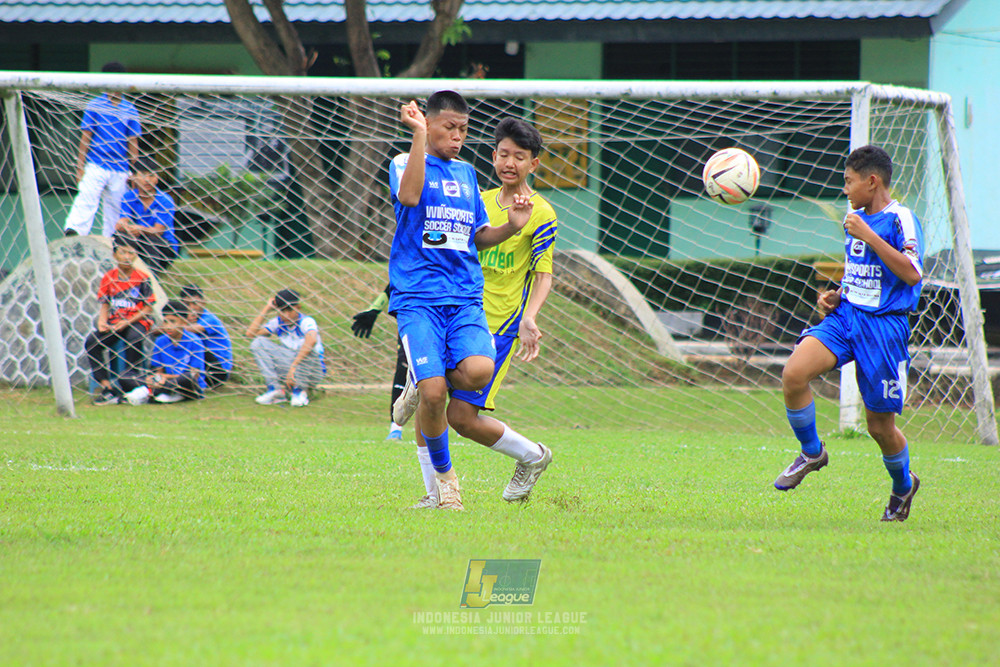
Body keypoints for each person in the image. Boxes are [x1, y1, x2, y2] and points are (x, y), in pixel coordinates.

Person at [387, 91, 534, 510]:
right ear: (429, 124)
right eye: (449, 128)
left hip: (465, 297)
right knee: (434, 397)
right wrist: (416, 136)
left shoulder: (468, 175)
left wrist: (512, 225)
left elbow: (479, 238)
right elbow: (410, 197)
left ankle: (426, 372)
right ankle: (445, 482)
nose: (457, 136)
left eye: (464, 130)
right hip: (418, 297)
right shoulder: (404, 161)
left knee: (478, 370)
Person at [774, 145, 923, 522]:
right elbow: (863, 269)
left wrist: (870, 235)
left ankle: (903, 485)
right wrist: (838, 293)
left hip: (884, 329)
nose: (845, 189)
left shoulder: (900, 218)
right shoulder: (854, 218)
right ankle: (812, 452)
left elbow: (910, 273)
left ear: (872, 182)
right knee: (793, 374)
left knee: (879, 427)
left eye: (848, 181)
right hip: (847, 318)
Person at [63, 62, 141, 238]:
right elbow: (85, 137)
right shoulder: (94, 105)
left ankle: (114, 240)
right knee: (86, 197)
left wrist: (135, 171)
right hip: (96, 163)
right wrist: (80, 167)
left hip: (121, 167)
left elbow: (133, 142)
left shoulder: (130, 109)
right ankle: (74, 232)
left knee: (116, 207)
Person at [85, 235, 155, 405]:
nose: (127, 257)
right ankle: (108, 388)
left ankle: (132, 387)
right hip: (115, 323)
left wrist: (127, 321)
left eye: (131, 253)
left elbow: (148, 308)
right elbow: (105, 303)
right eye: (123, 253)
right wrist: (102, 322)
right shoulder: (109, 277)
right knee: (92, 343)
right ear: (115, 255)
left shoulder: (142, 278)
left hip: (137, 321)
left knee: (133, 338)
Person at [246, 288, 325, 407]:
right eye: (282, 311)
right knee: (258, 343)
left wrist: (293, 367)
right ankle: (275, 390)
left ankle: (300, 391)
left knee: (307, 346)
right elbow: (250, 334)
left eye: (290, 310)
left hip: (311, 371)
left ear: (298, 307)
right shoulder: (277, 323)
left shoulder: (306, 321)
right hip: (289, 369)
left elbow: (312, 340)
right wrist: (266, 309)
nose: (286, 315)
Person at [351, 284, 408, 440]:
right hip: (412, 319)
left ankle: (462, 422)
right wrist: (374, 310)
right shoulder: (406, 263)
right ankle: (395, 428)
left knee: (450, 369)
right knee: (404, 367)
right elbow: (392, 286)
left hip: (447, 315)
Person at [121, 300, 206, 405]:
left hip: (185, 384)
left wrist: (165, 378)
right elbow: (158, 370)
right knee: (125, 376)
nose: (168, 326)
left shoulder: (194, 341)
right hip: (164, 382)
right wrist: (155, 379)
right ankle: (161, 393)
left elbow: (195, 374)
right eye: (165, 321)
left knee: (187, 378)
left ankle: (146, 392)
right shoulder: (161, 341)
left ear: (184, 322)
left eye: (172, 322)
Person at [115, 157, 178, 274]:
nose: (147, 180)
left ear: (157, 178)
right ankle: (120, 275)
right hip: (139, 241)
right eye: (143, 175)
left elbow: (158, 231)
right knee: (119, 237)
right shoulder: (128, 197)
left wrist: (140, 229)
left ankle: (152, 280)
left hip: (163, 246)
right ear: (134, 177)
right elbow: (123, 220)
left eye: (152, 175)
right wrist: (124, 225)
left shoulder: (165, 200)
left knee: (150, 241)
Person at [179, 285, 233, 388]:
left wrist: (182, 324)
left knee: (193, 343)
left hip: (218, 370)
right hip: (201, 365)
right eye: (186, 304)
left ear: (203, 302)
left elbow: (193, 329)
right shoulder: (185, 319)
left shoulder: (210, 319)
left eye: (194, 303)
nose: (191, 307)